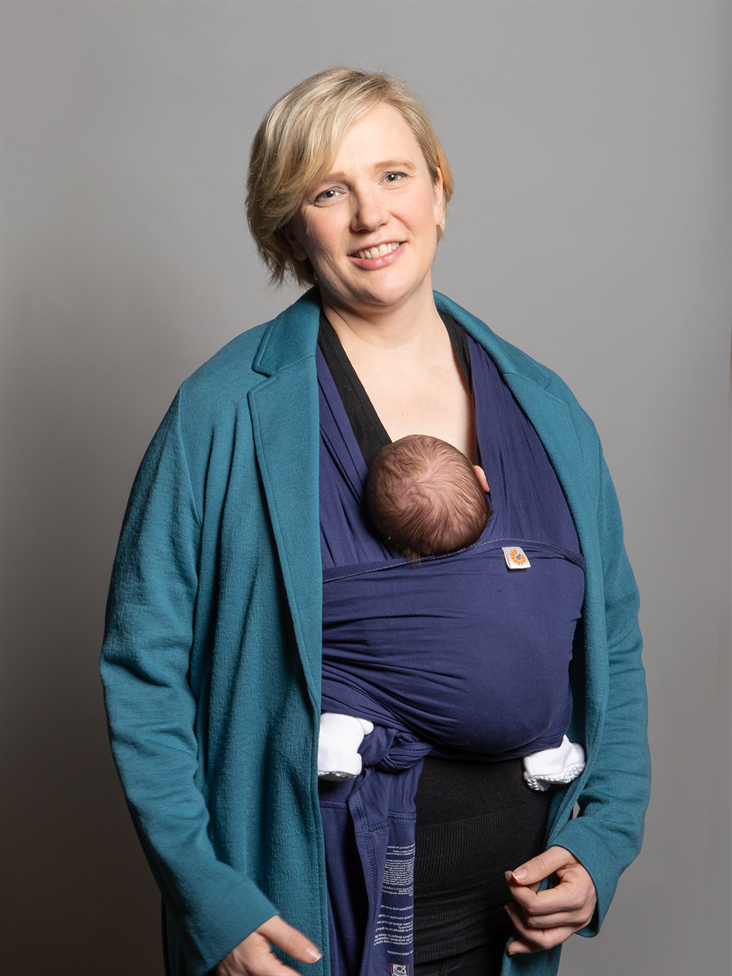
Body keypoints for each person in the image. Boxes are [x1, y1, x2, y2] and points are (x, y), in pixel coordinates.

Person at [100, 67, 650, 976]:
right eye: (329, 190)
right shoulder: (223, 411)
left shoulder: (547, 409)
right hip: (299, 924)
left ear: (438, 187)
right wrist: (208, 895)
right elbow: (142, 668)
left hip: (506, 929)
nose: (371, 216)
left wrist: (606, 842)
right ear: (290, 223)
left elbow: (614, 645)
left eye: (394, 176)